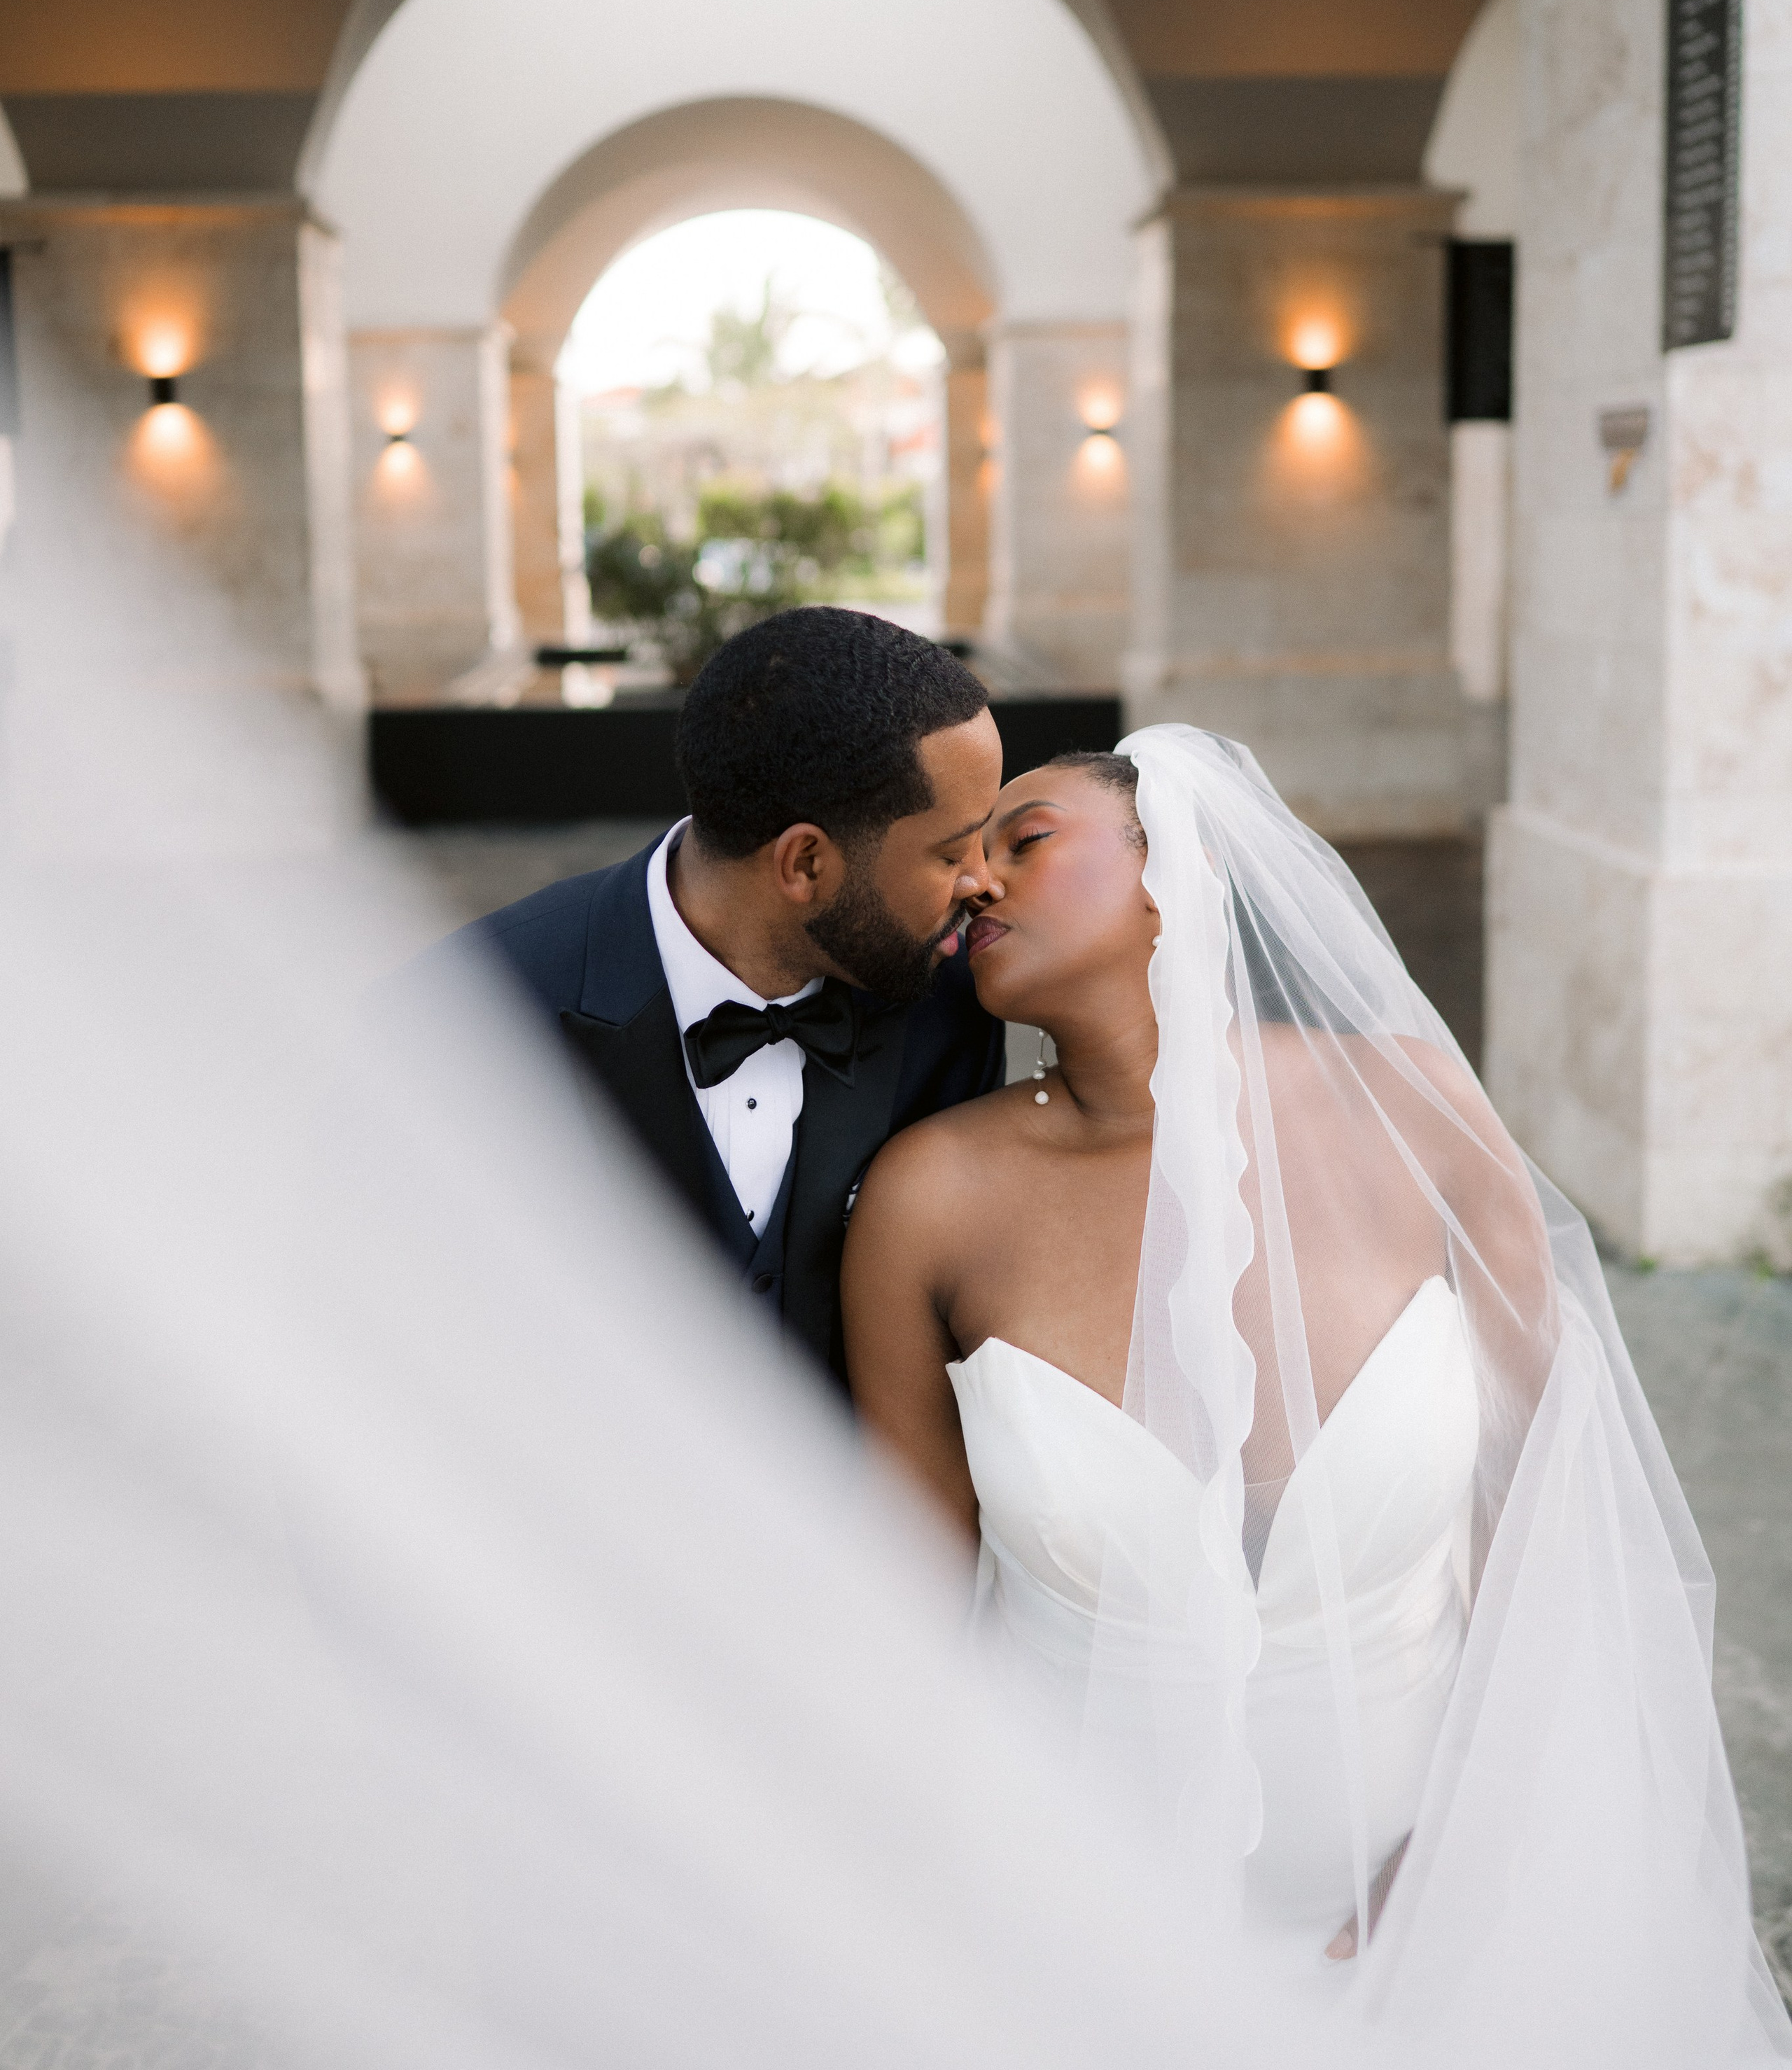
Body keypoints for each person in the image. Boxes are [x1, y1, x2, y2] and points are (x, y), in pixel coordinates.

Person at [843, 726, 1789, 2062]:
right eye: (965, 861)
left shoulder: (1413, 1107)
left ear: (1188, 863)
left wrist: (1486, 1829)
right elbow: (904, 1603)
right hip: (1063, 1943)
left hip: (1435, 1934)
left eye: (1027, 839)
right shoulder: (929, 1198)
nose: (976, 884)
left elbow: (1554, 1501)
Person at [456, 607, 1007, 1386]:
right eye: (952, 850)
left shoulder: (952, 1013)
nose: (982, 882)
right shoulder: (467, 1018)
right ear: (805, 864)